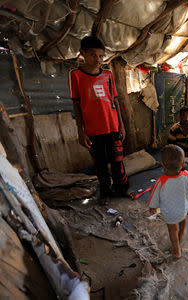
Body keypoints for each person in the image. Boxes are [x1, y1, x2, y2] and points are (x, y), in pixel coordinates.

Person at [68, 36, 128, 204]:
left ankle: (121, 189)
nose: (98, 59)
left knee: (118, 162)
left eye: (101, 56)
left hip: (113, 127)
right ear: (83, 53)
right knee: (100, 165)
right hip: (93, 130)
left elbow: (115, 102)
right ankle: (105, 193)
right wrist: (81, 132)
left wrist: (122, 126)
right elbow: (77, 106)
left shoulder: (108, 75)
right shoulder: (76, 76)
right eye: (93, 55)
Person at [147, 145, 188, 258]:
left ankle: (176, 251)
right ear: (182, 164)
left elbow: (154, 197)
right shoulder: (187, 175)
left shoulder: (161, 181)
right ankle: (182, 234)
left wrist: (152, 207)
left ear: (162, 164)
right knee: (183, 220)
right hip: (183, 207)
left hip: (170, 212)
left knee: (173, 230)